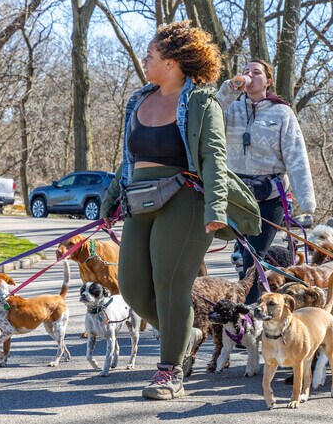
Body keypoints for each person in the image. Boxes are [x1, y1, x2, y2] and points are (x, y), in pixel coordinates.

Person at [101, 21, 230, 400]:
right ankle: (185, 333)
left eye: (151, 55)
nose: (144, 60)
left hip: (185, 201)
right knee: (133, 287)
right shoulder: (138, 100)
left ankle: (170, 371)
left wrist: (217, 206)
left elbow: (215, 158)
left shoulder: (202, 102)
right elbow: (129, 160)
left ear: (172, 62)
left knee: (170, 285)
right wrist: (111, 199)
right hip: (139, 201)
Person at [216, 59, 316, 304]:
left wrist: (307, 201)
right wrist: (229, 89)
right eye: (246, 71)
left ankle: (248, 316)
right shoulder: (230, 109)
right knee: (240, 253)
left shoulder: (281, 112)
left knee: (254, 257)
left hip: (269, 194)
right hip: (235, 192)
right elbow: (208, 111)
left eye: (256, 72)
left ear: (268, 81)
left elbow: (296, 154)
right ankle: (236, 310)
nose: (249, 75)